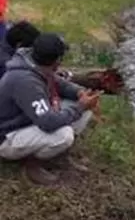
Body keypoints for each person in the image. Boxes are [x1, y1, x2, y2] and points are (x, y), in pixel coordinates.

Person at [0, 32, 101, 185]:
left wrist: (80, 92)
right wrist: (79, 107)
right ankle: (32, 163)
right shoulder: (25, 81)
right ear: (57, 61)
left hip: (26, 122)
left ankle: (59, 155)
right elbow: (47, 122)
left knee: (85, 106)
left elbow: (57, 82)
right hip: (7, 136)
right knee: (64, 134)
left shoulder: (33, 63)